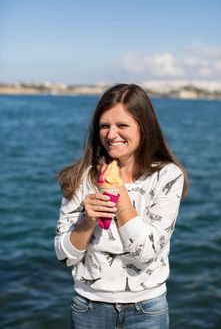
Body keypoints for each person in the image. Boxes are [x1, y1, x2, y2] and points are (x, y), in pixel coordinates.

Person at [54, 83, 188, 329]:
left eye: (122, 125)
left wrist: (122, 199)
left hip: (146, 309)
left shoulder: (168, 177)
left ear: (143, 127)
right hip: (89, 307)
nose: (111, 134)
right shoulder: (80, 177)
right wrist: (87, 221)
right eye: (104, 126)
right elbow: (64, 257)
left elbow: (146, 254)